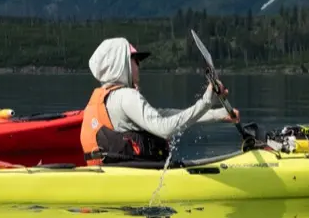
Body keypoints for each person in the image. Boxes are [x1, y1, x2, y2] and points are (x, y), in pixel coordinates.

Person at [81, 37, 239, 165]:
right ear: (120, 64)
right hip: (135, 176)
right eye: (135, 60)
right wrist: (205, 101)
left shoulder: (107, 97)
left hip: (111, 172)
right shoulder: (127, 96)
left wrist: (217, 114)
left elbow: (162, 115)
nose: (139, 66)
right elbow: (165, 128)